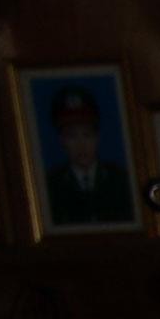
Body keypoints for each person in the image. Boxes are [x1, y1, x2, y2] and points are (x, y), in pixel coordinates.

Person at [42, 85, 132, 230]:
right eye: (72, 136)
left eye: (87, 135)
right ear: (62, 141)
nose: (81, 145)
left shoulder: (120, 180)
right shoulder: (51, 185)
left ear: (97, 138)